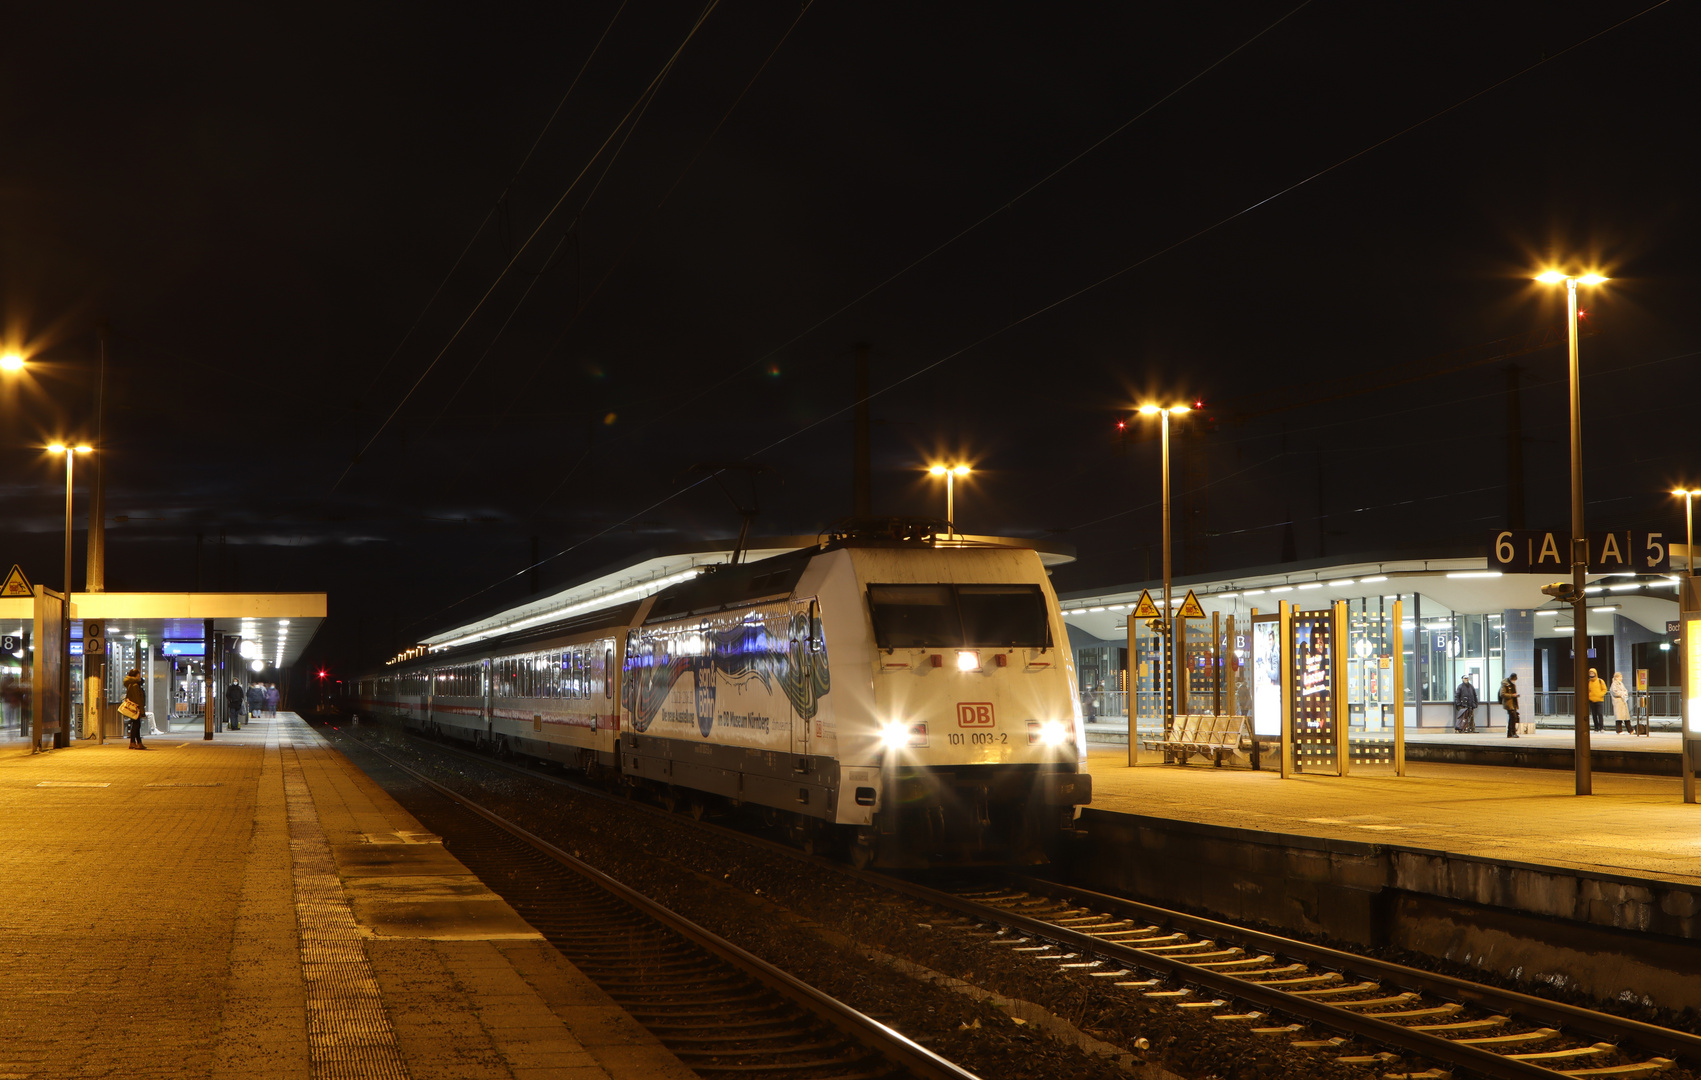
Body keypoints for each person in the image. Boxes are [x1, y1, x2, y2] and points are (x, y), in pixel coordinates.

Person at [123, 666, 148, 749]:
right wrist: (142, 710)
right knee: (136, 725)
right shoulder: (134, 685)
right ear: (136, 675)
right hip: (136, 708)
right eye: (139, 674)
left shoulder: (132, 684)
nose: (140, 676)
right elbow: (137, 698)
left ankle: (139, 743)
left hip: (134, 707)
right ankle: (133, 742)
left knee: (136, 725)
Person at [1498, 672, 1521, 738]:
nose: (1514, 681)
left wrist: (1515, 696)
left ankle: (1510, 733)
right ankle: (1513, 732)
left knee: (1513, 718)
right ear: (1511, 678)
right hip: (1508, 703)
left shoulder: (1512, 685)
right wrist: (1512, 695)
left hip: (1513, 703)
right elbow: (1502, 694)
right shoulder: (1505, 684)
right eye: (1514, 679)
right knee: (1513, 717)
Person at [1586, 668, 1607, 732]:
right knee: (1594, 714)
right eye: (1590, 673)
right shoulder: (1588, 681)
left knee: (1600, 714)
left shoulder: (1600, 681)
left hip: (1599, 700)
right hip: (1591, 700)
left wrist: (1600, 694)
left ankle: (1601, 728)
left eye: (1592, 673)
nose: (1591, 674)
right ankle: (1596, 728)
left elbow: (1604, 689)